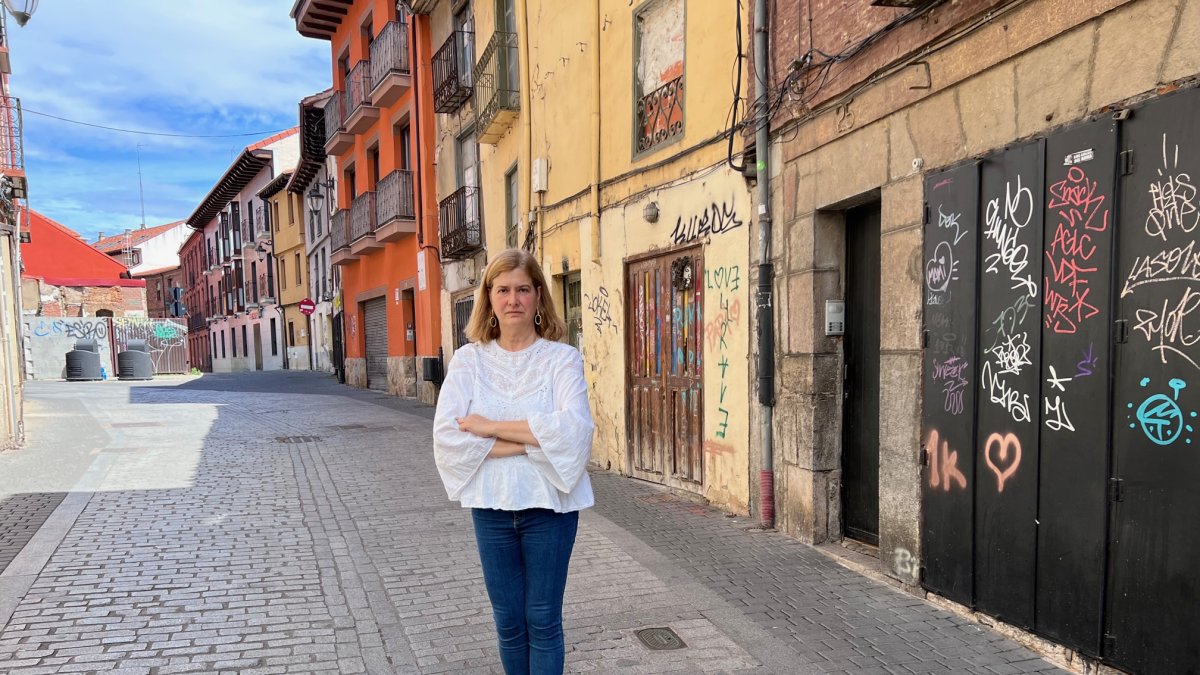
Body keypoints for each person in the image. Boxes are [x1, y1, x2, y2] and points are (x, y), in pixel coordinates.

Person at [433, 249, 595, 675]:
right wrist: (535, 440)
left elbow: (575, 432)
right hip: (492, 508)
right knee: (508, 624)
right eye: (503, 290)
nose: (513, 299)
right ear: (489, 297)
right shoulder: (469, 361)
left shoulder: (562, 359)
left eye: (523, 289)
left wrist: (488, 427)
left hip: (551, 509)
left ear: (539, 296)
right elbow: (448, 438)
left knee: (543, 621)